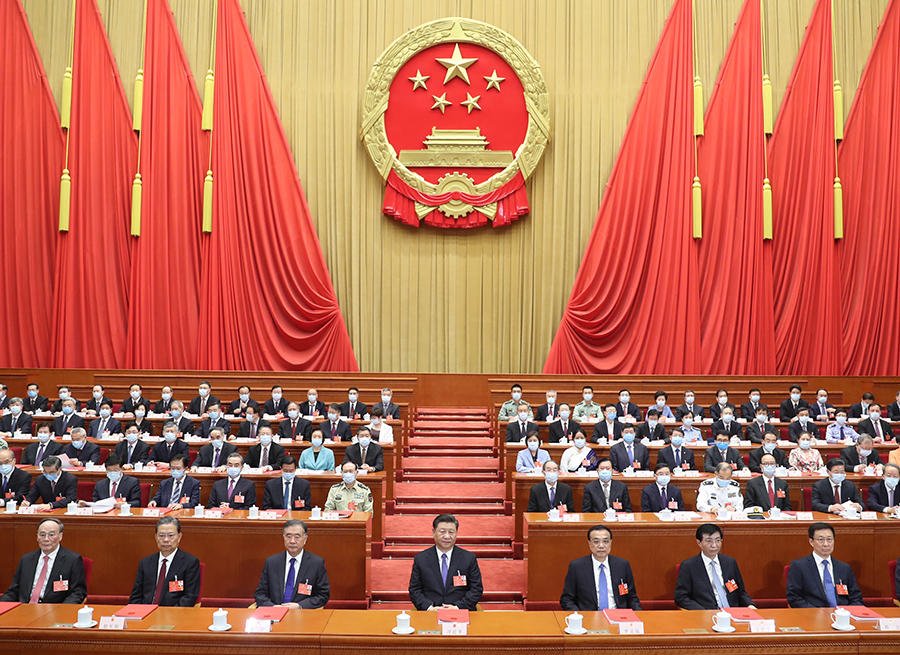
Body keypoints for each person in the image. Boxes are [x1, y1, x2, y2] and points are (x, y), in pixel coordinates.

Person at [0, 518, 87, 604]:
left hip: (54, 611)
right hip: (25, 608)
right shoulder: (26, 559)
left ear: (60, 536)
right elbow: (14, 591)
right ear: (37, 536)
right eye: (42, 535)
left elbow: (78, 593)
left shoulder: (72, 560)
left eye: (51, 535)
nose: (46, 539)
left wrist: (62, 610)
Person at [408, 514, 483, 611]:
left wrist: (457, 607)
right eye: (442, 532)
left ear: (456, 533)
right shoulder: (421, 559)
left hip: (460, 612)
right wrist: (429, 608)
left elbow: (476, 589)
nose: (447, 536)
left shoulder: (469, 558)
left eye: (451, 532)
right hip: (431, 613)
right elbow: (415, 590)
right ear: (433, 532)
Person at [560, 524, 641, 611]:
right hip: (589, 618)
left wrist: (639, 616)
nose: (601, 546)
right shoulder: (577, 566)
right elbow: (567, 599)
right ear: (589, 544)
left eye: (606, 541)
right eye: (596, 541)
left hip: (618, 615)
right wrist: (579, 616)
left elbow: (631, 597)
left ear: (611, 543)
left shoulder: (622, 565)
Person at [674, 523, 755, 609]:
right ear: (699, 542)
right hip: (706, 615)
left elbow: (740, 592)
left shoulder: (730, 562)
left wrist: (750, 605)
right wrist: (702, 612)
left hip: (733, 613)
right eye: (709, 541)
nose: (714, 545)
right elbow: (681, 597)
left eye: (717, 540)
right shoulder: (689, 566)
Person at [254, 519, 330, 608]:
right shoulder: (272, 562)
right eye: (288, 536)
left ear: (305, 539)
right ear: (283, 537)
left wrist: (300, 606)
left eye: (297, 537)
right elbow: (260, 594)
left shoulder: (316, 563)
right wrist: (273, 607)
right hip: (275, 613)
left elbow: (323, 595)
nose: (292, 541)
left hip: (303, 615)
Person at [786, 522, 863, 607]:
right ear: (811, 542)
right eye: (821, 540)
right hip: (813, 616)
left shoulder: (844, 568)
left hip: (842, 616)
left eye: (829, 539)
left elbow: (856, 598)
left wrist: (846, 614)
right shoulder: (799, 566)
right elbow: (794, 598)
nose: (826, 544)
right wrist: (818, 613)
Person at [129, 516, 201, 606]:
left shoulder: (190, 562)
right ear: (156, 537)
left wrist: (168, 615)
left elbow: (189, 597)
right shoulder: (145, 563)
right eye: (161, 536)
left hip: (173, 615)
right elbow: (136, 596)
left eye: (171, 536)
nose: (166, 540)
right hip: (146, 614)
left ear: (179, 537)